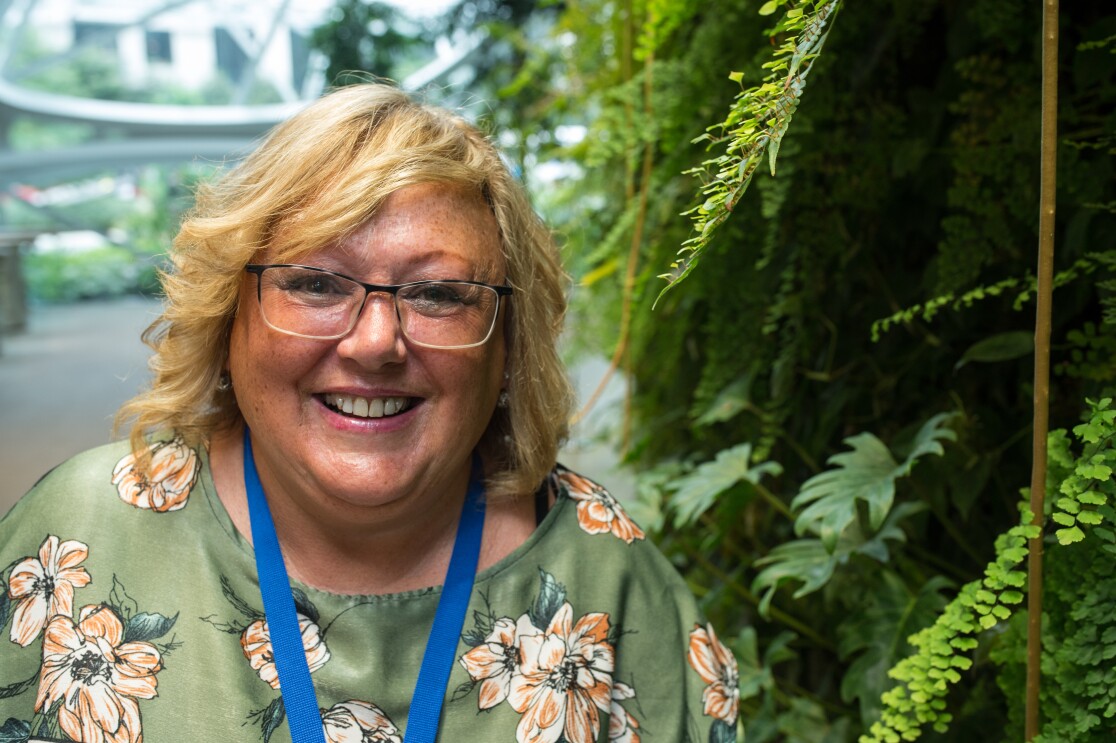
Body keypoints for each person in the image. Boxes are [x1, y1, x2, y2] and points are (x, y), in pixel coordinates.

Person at [0, 83, 740, 743]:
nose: (377, 341)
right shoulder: (74, 542)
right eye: (317, 283)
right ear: (229, 313)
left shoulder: (610, 580)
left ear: (507, 344)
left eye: (439, 294)